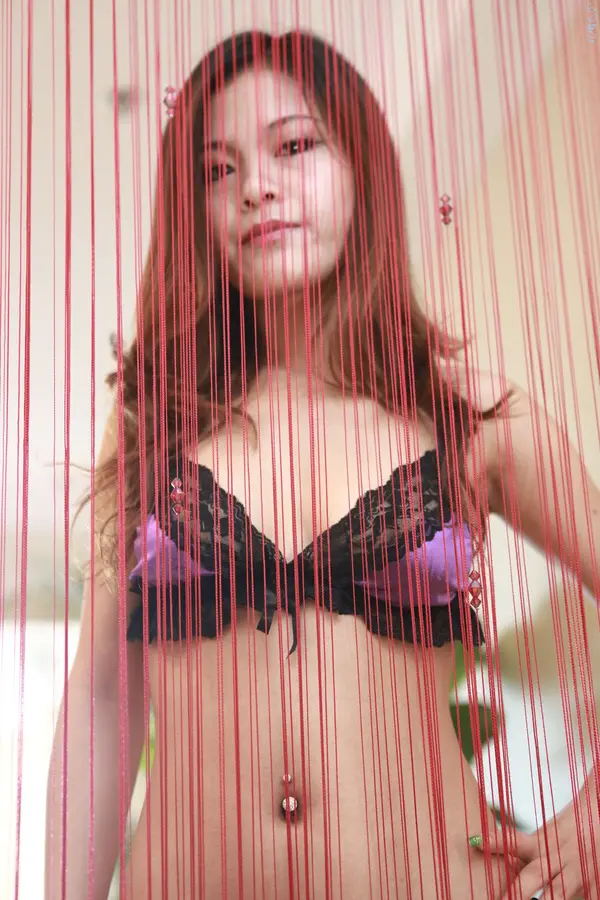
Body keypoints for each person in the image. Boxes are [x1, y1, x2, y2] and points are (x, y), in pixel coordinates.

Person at [45, 29, 600, 900]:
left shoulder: (474, 418)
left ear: (364, 172)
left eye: (295, 146)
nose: (254, 188)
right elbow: (104, 700)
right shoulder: (153, 423)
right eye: (217, 170)